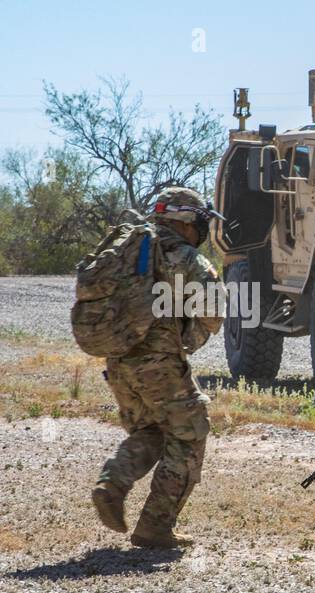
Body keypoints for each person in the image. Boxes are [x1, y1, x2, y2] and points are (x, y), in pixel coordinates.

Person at [91, 187, 226, 549]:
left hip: (118, 361)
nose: (200, 230)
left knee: (153, 430)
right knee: (191, 432)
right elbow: (214, 310)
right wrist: (189, 334)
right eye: (199, 222)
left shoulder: (131, 251)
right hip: (159, 364)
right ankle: (155, 525)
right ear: (184, 222)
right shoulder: (182, 256)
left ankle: (112, 483)